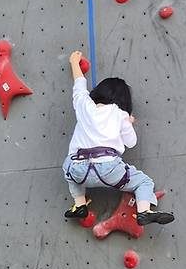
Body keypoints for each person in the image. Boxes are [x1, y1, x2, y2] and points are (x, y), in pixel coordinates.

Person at [63, 50, 173, 226]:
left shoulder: (84, 105)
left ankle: (79, 204)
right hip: (109, 171)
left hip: (79, 170)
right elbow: (131, 142)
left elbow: (79, 87)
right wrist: (128, 122)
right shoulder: (119, 113)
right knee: (143, 182)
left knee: (68, 169)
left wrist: (74, 63)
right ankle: (144, 210)